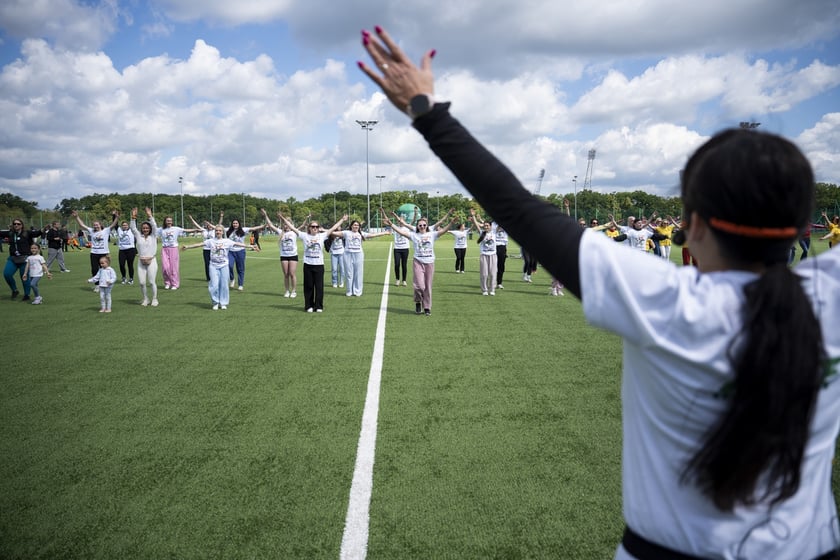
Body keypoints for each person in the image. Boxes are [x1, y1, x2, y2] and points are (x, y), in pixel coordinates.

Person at [360, 26, 840, 559]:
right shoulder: (831, 295)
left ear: (695, 224)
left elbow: (518, 208)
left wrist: (427, 112)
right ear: (801, 227)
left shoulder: (664, 300)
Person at [381, 207, 454, 315]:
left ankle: (427, 307)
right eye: (420, 225)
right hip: (418, 261)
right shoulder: (414, 235)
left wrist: (451, 222)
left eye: (424, 225)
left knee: (428, 286)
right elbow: (401, 231)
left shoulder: (432, 234)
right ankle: (418, 301)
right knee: (419, 285)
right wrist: (391, 224)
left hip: (430, 262)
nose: (422, 226)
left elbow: (443, 230)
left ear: (427, 226)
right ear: (417, 226)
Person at [278, 213, 346, 312]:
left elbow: (333, 228)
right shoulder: (304, 235)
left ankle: (318, 306)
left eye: (316, 227)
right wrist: (283, 218)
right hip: (308, 265)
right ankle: (309, 306)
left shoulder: (322, 236)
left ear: (318, 228)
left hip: (319, 265)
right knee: (308, 286)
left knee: (319, 287)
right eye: (312, 226)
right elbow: (292, 227)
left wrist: (342, 220)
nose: (314, 228)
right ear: (309, 228)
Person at [182, 225, 256, 310]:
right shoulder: (210, 241)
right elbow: (199, 244)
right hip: (213, 265)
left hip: (224, 265)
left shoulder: (227, 241)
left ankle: (223, 303)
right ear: (215, 232)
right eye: (216, 230)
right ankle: (215, 302)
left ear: (222, 232)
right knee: (214, 285)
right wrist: (187, 247)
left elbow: (237, 244)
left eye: (220, 231)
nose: (218, 232)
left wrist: (250, 246)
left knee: (224, 285)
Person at [335, 219, 390, 297]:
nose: (356, 226)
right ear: (351, 226)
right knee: (349, 274)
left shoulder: (361, 234)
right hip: (348, 254)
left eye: (357, 225)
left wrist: (384, 233)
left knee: (358, 273)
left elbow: (372, 235)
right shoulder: (346, 233)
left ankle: (357, 291)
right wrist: (324, 230)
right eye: (354, 225)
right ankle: (349, 291)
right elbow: (333, 233)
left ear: (359, 227)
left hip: (358, 254)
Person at [261, 208, 303, 297]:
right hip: (284, 256)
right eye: (284, 224)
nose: (286, 226)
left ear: (291, 224)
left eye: (287, 224)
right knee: (286, 274)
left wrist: (282, 217)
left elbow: (301, 226)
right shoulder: (281, 232)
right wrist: (265, 215)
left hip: (293, 255)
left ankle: (294, 291)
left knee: (292, 273)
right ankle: (287, 291)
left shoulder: (294, 232)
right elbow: (271, 225)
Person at [72, 210, 118, 290]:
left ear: (100, 225)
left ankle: (105, 284)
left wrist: (116, 217)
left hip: (103, 253)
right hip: (94, 253)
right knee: (94, 269)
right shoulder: (91, 231)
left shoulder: (106, 231)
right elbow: (82, 225)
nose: (95, 226)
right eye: (94, 225)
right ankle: (97, 285)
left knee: (105, 269)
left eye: (97, 225)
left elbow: (113, 224)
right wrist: (77, 217)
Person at [155, 216, 200, 290]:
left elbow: (186, 230)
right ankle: (167, 282)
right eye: (167, 220)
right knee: (165, 268)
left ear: (172, 222)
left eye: (170, 220)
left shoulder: (176, 229)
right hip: (165, 249)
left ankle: (174, 284)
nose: (169, 222)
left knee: (173, 268)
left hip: (173, 249)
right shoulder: (161, 229)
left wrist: (195, 230)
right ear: (165, 221)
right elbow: (153, 228)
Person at [1, 218, 42, 301]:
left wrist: (43, 229)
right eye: (15, 224)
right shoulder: (11, 233)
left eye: (18, 224)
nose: (16, 225)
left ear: (22, 225)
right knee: (7, 274)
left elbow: (37, 233)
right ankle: (14, 290)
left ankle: (27, 295)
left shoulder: (27, 233)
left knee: (24, 277)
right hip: (13, 258)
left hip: (25, 259)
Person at [131, 208, 160, 307]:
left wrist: (150, 216)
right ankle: (145, 298)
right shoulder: (139, 235)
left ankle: (154, 299)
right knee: (142, 283)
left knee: (152, 282)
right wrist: (133, 217)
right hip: (141, 261)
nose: (145, 229)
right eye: (143, 228)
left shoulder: (153, 235)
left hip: (152, 261)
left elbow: (155, 226)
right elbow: (133, 228)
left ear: (150, 229)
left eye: (147, 228)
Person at [225, 218, 265, 291]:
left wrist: (263, 225)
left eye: (236, 223)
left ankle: (240, 284)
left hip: (240, 251)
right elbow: (217, 227)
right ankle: (232, 279)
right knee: (229, 265)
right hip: (230, 251)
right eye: (234, 223)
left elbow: (253, 228)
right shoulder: (228, 230)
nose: (235, 224)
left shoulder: (243, 230)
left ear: (239, 224)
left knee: (240, 268)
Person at [470, 210, 497, 295]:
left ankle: (492, 289)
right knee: (484, 274)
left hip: (493, 255)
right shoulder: (482, 233)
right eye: (485, 226)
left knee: (492, 274)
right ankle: (484, 290)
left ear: (491, 226)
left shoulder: (494, 232)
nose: (486, 227)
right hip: (484, 255)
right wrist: (473, 216)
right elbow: (476, 224)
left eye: (487, 226)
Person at [115, 218, 137, 284]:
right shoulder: (119, 230)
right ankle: (124, 277)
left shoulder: (132, 230)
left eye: (126, 225)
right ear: (121, 226)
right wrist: (115, 216)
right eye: (123, 225)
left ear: (128, 226)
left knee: (130, 265)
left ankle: (131, 278)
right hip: (122, 250)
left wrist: (134, 216)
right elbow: (115, 224)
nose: (125, 226)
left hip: (131, 250)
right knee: (121, 265)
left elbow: (134, 223)